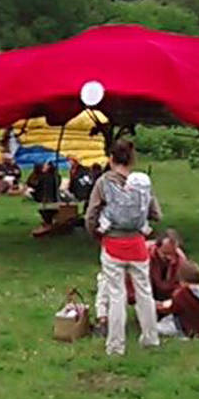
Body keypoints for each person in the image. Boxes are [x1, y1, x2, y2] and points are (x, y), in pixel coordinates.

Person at [85, 139, 162, 356]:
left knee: (116, 295)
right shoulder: (142, 183)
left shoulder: (103, 183)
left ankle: (116, 345)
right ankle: (151, 338)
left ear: (111, 159)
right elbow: (156, 213)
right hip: (137, 244)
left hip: (113, 244)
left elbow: (91, 214)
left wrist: (95, 233)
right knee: (144, 292)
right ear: (132, 160)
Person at [156, 260, 199, 339]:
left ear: (181, 279)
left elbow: (172, 309)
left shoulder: (182, 294)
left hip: (188, 329)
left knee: (158, 327)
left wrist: (158, 306)